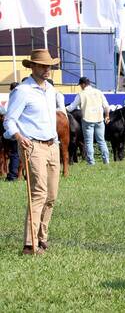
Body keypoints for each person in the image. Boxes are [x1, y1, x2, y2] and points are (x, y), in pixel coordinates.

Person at [2, 49, 62, 255]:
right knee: (39, 193)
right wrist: (19, 137)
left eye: (50, 66)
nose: (47, 70)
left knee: (52, 196)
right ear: (33, 67)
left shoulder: (51, 90)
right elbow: (10, 120)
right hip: (33, 145)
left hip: (52, 144)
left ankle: (42, 238)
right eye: (43, 66)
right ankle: (30, 244)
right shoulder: (22, 91)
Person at [66, 77, 110, 165]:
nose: (80, 87)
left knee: (89, 142)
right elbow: (106, 106)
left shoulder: (81, 94)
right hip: (99, 119)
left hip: (87, 120)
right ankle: (106, 161)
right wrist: (107, 116)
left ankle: (91, 162)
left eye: (80, 85)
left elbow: (71, 107)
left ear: (83, 84)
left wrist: (62, 109)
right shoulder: (98, 92)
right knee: (101, 141)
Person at [3, 82, 20, 182]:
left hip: (14, 131)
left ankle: (12, 176)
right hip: (25, 131)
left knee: (14, 154)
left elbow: (4, 112)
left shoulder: (11, 99)